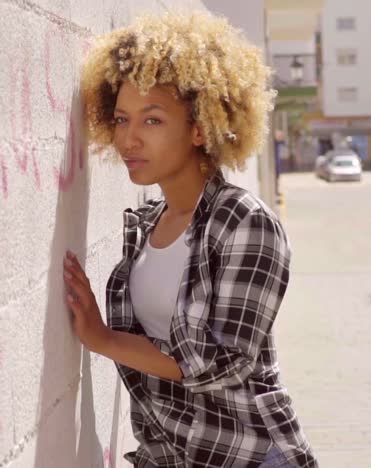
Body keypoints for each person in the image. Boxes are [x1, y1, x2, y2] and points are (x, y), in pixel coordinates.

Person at [63, 10, 319, 468]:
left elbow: (223, 361)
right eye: (122, 119)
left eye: (153, 121)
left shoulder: (246, 223)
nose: (129, 139)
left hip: (250, 456)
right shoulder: (144, 226)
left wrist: (102, 338)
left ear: (200, 127)